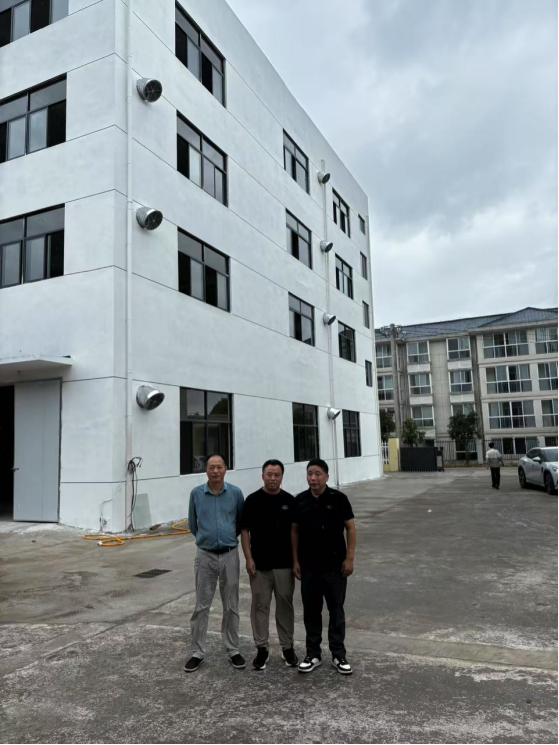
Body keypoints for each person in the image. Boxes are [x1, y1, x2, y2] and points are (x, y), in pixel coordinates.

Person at [292, 459, 357, 676]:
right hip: (309, 567)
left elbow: (350, 528)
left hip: (335, 567)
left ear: (326, 477)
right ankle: (313, 654)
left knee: (336, 610)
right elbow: (294, 531)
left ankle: (338, 654)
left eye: (318, 473)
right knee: (311, 611)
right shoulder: (300, 500)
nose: (313, 478)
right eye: (310, 473)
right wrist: (295, 561)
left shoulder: (339, 499)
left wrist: (349, 558)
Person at [184, 455, 246, 673]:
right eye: (211, 467)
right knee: (201, 605)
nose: (215, 471)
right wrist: (207, 539)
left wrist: (226, 537)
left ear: (225, 469)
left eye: (219, 467)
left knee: (231, 605)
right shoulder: (196, 494)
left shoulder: (236, 493)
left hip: (229, 554)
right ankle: (197, 652)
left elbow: (240, 522)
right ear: (206, 470)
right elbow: (193, 524)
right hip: (205, 555)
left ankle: (233, 649)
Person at [241, 460, 298, 671]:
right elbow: (244, 531)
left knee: (285, 606)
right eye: (269, 474)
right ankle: (262, 648)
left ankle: (287, 647)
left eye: (277, 475)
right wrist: (248, 558)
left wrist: (296, 561)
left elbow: (294, 533)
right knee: (260, 606)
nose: (273, 478)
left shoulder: (290, 501)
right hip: (259, 566)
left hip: (284, 565)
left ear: (282, 477)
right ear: (263, 476)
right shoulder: (252, 500)